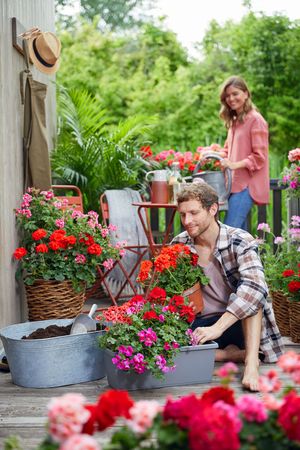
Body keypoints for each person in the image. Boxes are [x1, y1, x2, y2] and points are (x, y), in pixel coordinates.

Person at [172, 182, 284, 391]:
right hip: (200, 325)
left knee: (252, 296)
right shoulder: (179, 244)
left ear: (213, 209)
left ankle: (251, 363)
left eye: (194, 213)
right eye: (183, 214)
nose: (187, 221)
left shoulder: (239, 240)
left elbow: (256, 287)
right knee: (163, 345)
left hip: (237, 323)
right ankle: (228, 355)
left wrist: (218, 328)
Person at [218, 76, 270, 230]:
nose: (231, 99)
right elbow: (228, 151)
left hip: (247, 186)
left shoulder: (256, 120)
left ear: (246, 94)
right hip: (234, 185)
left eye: (235, 94)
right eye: (227, 96)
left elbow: (259, 157)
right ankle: (250, 255)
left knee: (227, 231)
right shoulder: (234, 122)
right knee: (240, 236)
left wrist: (233, 165)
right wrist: (210, 152)